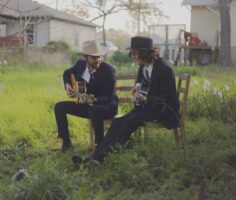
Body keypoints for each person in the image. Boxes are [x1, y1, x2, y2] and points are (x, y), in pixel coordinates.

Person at [72, 36, 179, 164]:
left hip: (163, 111)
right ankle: (95, 157)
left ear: (144, 53)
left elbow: (164, 98)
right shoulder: (143, 67)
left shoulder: (164, 69)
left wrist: (144, 98)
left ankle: (100, 158)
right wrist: (138, 89)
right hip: (146, 108)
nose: (133, 56)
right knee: (117, 121)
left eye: (135, 53)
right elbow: (143, 85)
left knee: (128, 122)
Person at [54, 40, 118, 152]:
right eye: (94, 57)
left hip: (106, 106)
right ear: (85, 57)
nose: (97, 60)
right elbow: (67, 73)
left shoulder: (109, 70)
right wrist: (67, 85)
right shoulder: (80, 64)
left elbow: (108, 97)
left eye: (99, 56)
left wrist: (89, 100)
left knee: (95, 109)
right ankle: (66, 143)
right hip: (87, 105)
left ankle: (100, 146)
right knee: (59, 107)